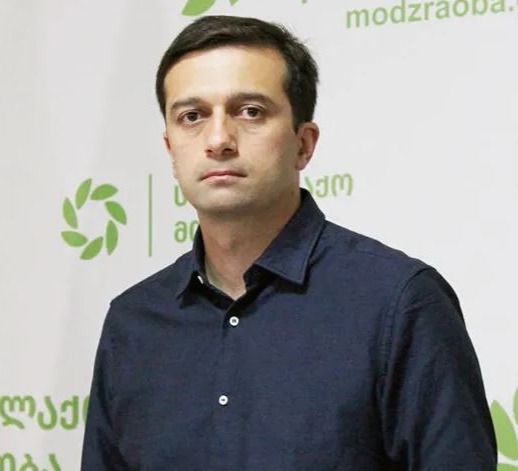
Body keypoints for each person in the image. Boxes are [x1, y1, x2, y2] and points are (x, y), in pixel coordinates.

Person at [81, 15, 497, 470]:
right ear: (170, 148)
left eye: (250, 111)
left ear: (304, 144)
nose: (218, 140)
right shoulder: (133, 323)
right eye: (192, 117)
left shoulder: (399, 303)